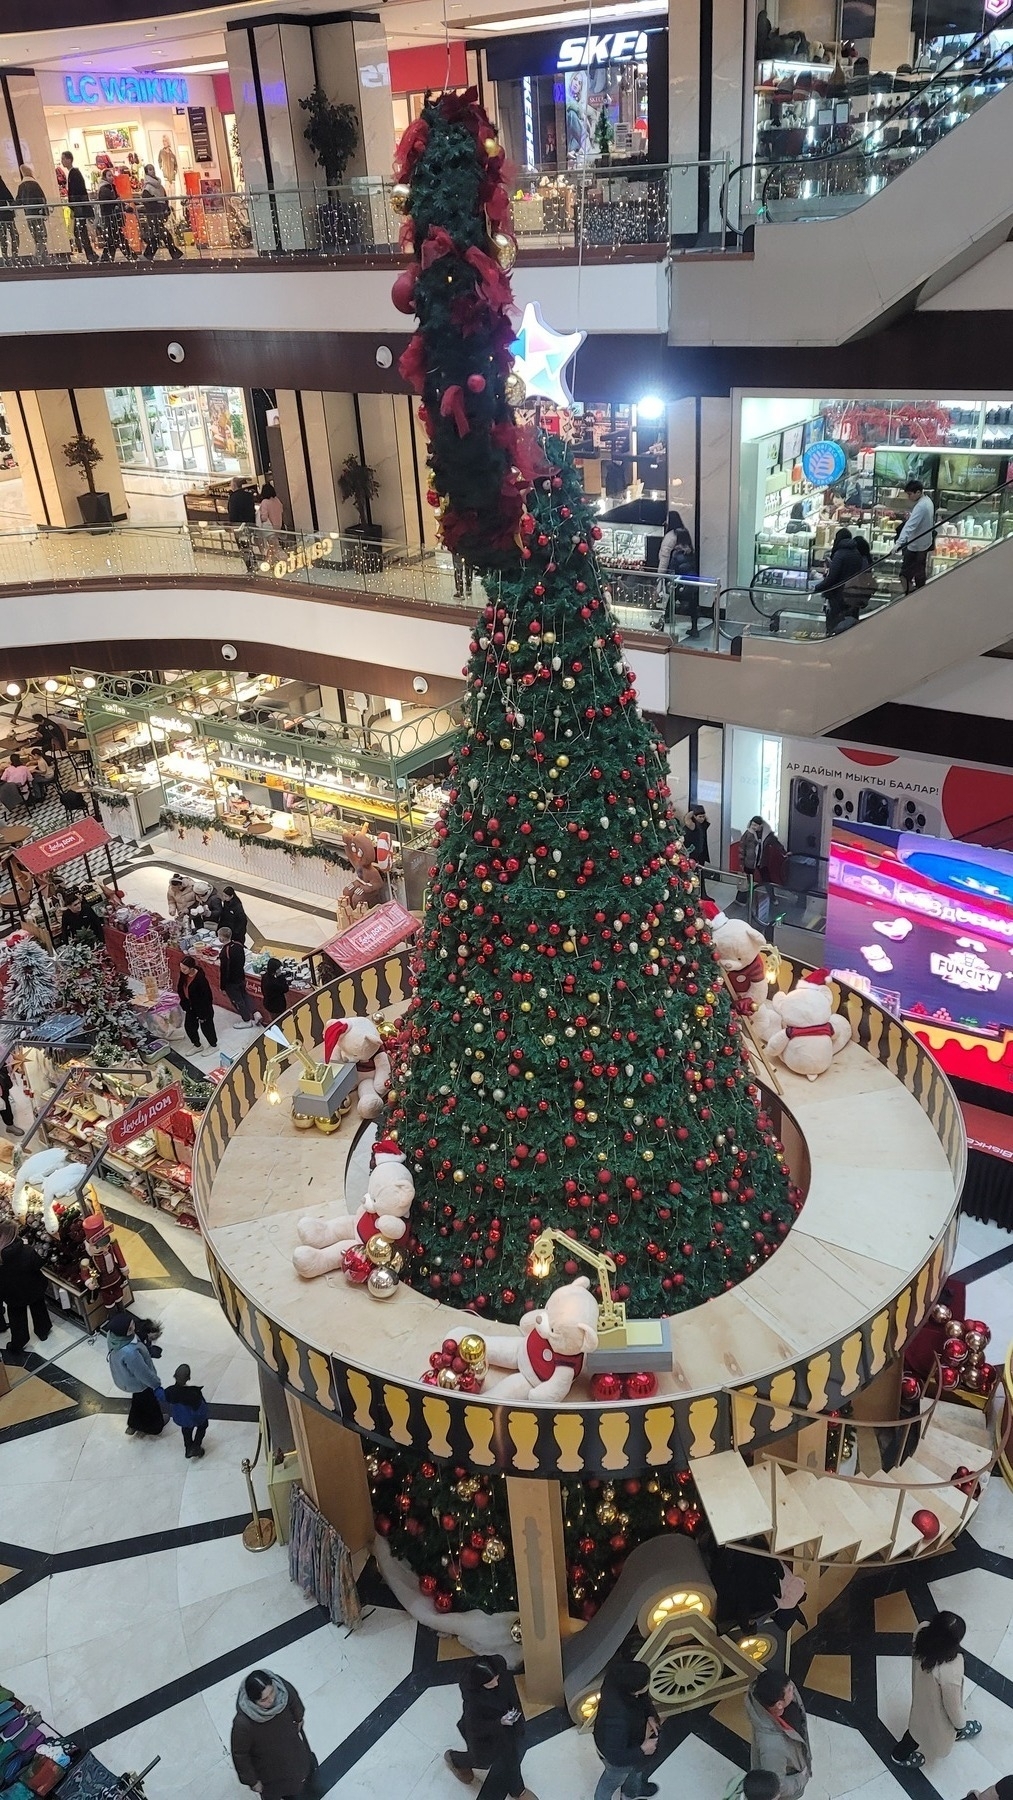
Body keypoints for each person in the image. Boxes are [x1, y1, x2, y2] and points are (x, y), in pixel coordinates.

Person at [891, 1612, 981, 1768]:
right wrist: (960, 1724)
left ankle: (898, 1755)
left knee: (915, 1728)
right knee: (936, 1730)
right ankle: (959, 1733)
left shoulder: (921, 1631)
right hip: (936, 1710)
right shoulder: (950, 1669)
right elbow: (952, 1705)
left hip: (920, 1696)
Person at [444, 1655, 535, 1800]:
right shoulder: (473, 1702)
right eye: (490, 1683)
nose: (496, 1684)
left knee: (512, 1757)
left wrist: (516, 1719)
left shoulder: (499, 1675)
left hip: (508, 1731)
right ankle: (455, 1760)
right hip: (485, 1737)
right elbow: (475, 1727)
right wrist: (499, 1723)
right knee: (481, 1761)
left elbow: (512, 1696)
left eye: (496, 1679)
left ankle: (518, 1790)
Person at [231, 1670, 316, 1800]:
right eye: (264, 1699)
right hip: (269, 1771)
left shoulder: (282, 1690)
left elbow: (295, 1702)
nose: (271, 1700)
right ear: (253, 1701)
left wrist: (299, 1718)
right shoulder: (243, 1724)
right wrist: (252, 1781)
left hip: (293, 1752)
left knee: (299, 1778)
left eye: (272, 1692)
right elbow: (240, 1755)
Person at [592, 1658, 660, 1800]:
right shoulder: (617, 1719)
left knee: (635, 1768)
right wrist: (643, 1749)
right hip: (616, 1755)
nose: (648, 1685)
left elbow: (642, 1696)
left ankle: (632, 1792)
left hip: (629, 1741)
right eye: (646, 1683)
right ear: (634, 1689)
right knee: (611, 1782)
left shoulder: (616, 1679)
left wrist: (650, 1715)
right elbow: (616, 1757)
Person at [745, 1669, 812, 1799]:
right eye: (789, 1690)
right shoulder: (773, 1748)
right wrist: (800, 1779)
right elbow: (776, 1786)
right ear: (779, 1704)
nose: (793, 1689)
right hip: (793, 1781)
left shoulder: (765, 1693)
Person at [106, 1310, 164, 1436]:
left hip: (126, 1379)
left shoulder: (113, 1337)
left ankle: (133, 1424)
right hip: (140, 1383)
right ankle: (154, 1427)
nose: (134, 1328)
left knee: (138, 1399)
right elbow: (142, 1373)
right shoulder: (130, 1352)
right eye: (130, 1328)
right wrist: (156, 1384)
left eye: (132, 1324)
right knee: (150, 1403)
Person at [0, 1219, 51, 1355]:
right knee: (39, 1310)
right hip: (33, 1288)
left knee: (17, 1318)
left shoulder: (1, 1257)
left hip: (12, 1294)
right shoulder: (26, 1251)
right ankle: (43, 1331)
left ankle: (19, 1342)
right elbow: (37, 1264)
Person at [653, 511, 699, 637]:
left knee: (672, 597)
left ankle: (663, 622)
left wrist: (660, 575)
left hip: (675, 573)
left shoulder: (671, 536)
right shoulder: (685, 533)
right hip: (688, 573)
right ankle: (694, 627)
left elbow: (664, 557)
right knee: (689, 600)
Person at [812, 527, 864, 637]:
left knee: (835, 626)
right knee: (849, 627)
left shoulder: (840, 554)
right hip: (853, 596)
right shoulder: (857, 553)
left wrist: (817, 587)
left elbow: (832, 578)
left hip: (838, 597)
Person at [738, 816, 784, 932]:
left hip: (761, 862)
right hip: (750, 862)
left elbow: (776, 843)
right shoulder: (748, 834)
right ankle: (742, 899)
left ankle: (773, 898)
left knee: (766, 879)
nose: (753, 827)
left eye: (756, 825)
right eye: (752, 824)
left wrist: (784, 852)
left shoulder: (767, 835)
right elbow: (741, 848)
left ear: (761, 826)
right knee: (746, 881)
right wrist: (741, 863)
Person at [894, 479, 935, 594]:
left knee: (905, 575)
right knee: (919, 573)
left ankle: (910, 596)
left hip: (916, 546)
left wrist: (899, 543)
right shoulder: (928, 502)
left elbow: (910, 526)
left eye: (910, 494)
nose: (909, 497)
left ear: (918, 492)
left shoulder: (921, 506)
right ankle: (918, 595)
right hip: (924, 544)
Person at [164, 1362, 209, 1459]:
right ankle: (196, 1446)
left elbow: (163, 1396)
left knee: (186, 1430)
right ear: (188, 1378)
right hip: (194, 1418)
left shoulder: (169, 1391)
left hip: (181, 1418)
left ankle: (188, 1448)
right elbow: (201, 1408)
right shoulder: (193, 1394)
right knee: (203, 1425)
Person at [61, 151, 98, 263]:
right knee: (82, 231)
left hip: (79, 207)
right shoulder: (73, 173)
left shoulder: (74, 173)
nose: (62, 161)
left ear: (69, 159)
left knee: (82, 231)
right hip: (79, 206)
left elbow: (76, 191)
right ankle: (90, 253)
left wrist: (73, 206)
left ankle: (90, 253)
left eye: (63, 159)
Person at [139, 164, 182, 260]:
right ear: (147, 172)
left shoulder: (159, 186)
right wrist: (157, 206)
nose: (152, 171)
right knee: (163, 234)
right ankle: (175, 253)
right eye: (150, 169)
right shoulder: (148, 187)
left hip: (160, 213)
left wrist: (166, 209)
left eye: (153, 169)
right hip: (154, 214)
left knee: (157, 236)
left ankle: (148, 255)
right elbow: (146, 201)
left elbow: (165, 198)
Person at [219, 926, 260, 1025]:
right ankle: (256, 1013)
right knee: (245, 995)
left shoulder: (225, 952)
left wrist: (222, 986)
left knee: (237, 1001)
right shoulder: (238, 945)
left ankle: (247, 1020)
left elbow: (224, 971)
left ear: (221, 938)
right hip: (241, 977)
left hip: (231, 982)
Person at [178, 954, 218, 1049]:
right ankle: (197, 1045)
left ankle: (213, 1045)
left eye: (184, 969)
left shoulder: (201, 980)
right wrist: (184, 1002)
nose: (182, 970)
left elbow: (207, 997)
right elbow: (180, 988)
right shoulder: (183, 975)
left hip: (203, 1009)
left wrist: (202, 1014)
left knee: (207, 1028)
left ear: (191, 968)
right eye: (181, 968)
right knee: (189, 1027)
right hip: (190, 1007)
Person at [97, 169, 133, 263]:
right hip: (110, 217)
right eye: (109, 176)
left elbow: (116, 201)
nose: (112, 178)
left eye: (112, 175)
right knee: (116, 238)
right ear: (104, 177)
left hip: (113, 217)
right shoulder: (105, 189)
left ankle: (106, 259)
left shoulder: (110, 188)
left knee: (113, 239)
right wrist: (123, 206)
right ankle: (131, 256)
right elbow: (113, 202)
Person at [15, 166, 48, 263]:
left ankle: (43, 257)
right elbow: (42, 199)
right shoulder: (34, 184)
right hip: (38, 214)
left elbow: (18, 201)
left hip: (28, 215)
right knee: (42, 236)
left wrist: (10, 206)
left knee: (36, 236)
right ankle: (38, 257)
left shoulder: (21, 186)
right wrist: (45, 212)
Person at [228, 478, 258, 572]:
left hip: (239, 527)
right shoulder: (248, 495)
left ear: (234, 485)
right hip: (249, 524)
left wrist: (232, 526)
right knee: (248, 545)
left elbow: (232, 514)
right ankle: (254, 563)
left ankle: (250, 566)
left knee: (243, 547)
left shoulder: (233, 498)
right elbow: (252, 510)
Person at [682, 804, 711, 897]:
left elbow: (708, 820)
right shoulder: (692, 826)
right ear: (694, 816)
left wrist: (699, 812)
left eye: (703, 817)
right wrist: (693, 812)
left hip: (700, 853)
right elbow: (687, 820)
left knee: (701, 875)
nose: (702, 819)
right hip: (693, 855)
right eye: (700, 817)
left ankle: (702, 894)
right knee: (693, 876)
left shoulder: (702, 825)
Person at [0, 173, 17, 261]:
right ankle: (14, 255)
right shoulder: (1, 184)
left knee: (3, 237)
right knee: (14, 235)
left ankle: (5, 256)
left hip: (3, 215)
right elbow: (9, 197)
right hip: (7, 214)